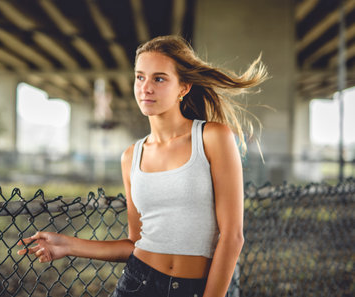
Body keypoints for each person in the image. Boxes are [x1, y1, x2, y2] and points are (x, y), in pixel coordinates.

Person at [17, 35, 268, 297]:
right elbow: (135, 244)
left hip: (196, 289)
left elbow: (232, 237)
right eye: (140, 77)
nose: (145, 87)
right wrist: (68, 245)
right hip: (137, 285)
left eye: (159, 78)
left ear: (183, 87)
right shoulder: (131, 157)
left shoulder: (212, 137)